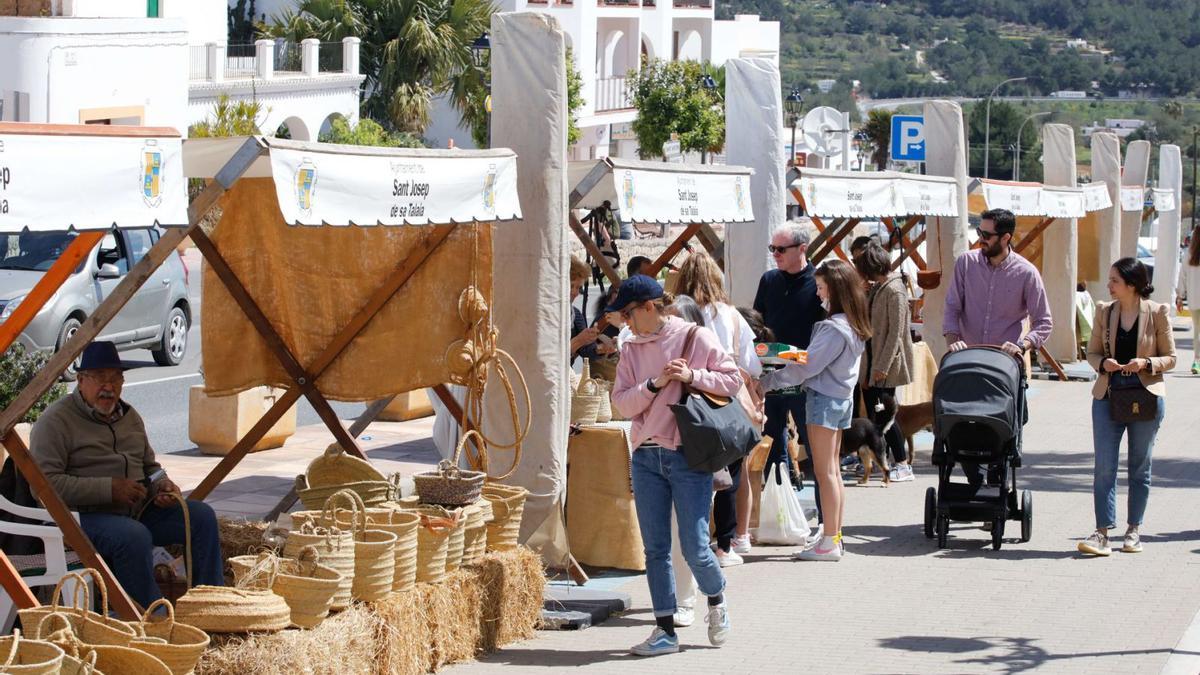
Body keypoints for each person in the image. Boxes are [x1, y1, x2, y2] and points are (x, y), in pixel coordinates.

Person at [30, 341, 224, 608]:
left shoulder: (130, 417)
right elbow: (44, 486)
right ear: (81, 380)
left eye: (115, 379)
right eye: (100, 378)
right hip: (78, 517)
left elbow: (150, 467)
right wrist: (110, 489)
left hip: (135, 511)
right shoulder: (56, 421)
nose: (108, 387)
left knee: (200, 516)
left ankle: (212, 604)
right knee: (133, 536)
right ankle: (148, 617)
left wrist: (162, 485)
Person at [611, 275, 742, 656]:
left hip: (688, 455)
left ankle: (716, 599)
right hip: (646, 455)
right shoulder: (631, 350)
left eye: (628, 313)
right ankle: (665, 630)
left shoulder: (693, 338)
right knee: (655, 549)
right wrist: (655, 383)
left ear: (649, 307)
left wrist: (691, 376)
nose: (625, 323)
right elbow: (622, 403)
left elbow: (732, 380)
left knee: (695, 546)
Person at [758, 260, 870, 561]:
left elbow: (808, 365)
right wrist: (777, 350)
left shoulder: (833, 328)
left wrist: (768, 381)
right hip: (839, 398)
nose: (818, 294)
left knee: (825, 472)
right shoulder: (851, 324)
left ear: (834, 289)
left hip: (823, 399)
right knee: (831, 471)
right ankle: (833, 534)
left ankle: (830, 540)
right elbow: (812, 357)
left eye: (821, 288)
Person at [943, 208, 1052, 491]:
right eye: (979, 232)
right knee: (961, 423)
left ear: (1006, 237)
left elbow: (1044, 323)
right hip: (967, 363)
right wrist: (952, 338)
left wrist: (1022, 345)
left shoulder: (1027, 273)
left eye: (986, 234)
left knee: (1005, 426)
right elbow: (952, 307)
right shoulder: (965, 264)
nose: (980, 238)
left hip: (1004, 367)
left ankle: (996, 477)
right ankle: (974, 478)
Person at [1078, 258, 1175, 556]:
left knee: (1139, 467)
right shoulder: (1104, 312)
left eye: (1114, 281)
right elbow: (1091, 353)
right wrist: (1102, 363)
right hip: (1108, 395)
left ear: (1132, 285)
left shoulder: (1157, 312)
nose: (1108, 286)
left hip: (1145, 397)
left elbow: (1171, 358)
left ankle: (1133, 530)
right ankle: (1102, 533)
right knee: (1104, 468)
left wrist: (1145, 363)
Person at [675, 251, 762, 564]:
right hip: (726, 399)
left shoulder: (677, 312)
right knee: (729, 469)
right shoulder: (731, 315)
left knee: (689, 470)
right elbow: (752, 364)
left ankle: (691, 543)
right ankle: (724, 545)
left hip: (687, 397)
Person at [753, 224, 825, 519]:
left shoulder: (819, 281)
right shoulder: (769, 280)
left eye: (781, 249)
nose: (776, 255)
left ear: (802, 248)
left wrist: (790, 354)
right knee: (771, 448)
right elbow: (758, 323)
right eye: (773, 249)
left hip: (807, 378)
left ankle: (826, 522)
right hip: (770, 376)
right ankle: (778, 517)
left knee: (817, 454)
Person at [854, 241, 915, 481]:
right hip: (872, 363)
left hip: (884, 365)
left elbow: (896, 332)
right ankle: (887, 459)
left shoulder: (894, 290)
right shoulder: (880, 287)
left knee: (884, 415)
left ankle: (901, 462)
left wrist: (881, 367)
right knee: (876, 413)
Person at [569, 256, 602, 365]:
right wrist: (579, 340)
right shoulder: (546, 317)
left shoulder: (575, 315)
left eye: (578, 288)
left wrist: (602, 348)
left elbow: (586, 350)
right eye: (571, 286)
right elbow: (552, 357)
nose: (575, 292)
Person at [1177, 226, 1200, 375]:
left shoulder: (1189, 254)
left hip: (1194, 299)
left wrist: (1180, 296)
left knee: (1197, 331)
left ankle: (1197, 361)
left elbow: (1182, 276)